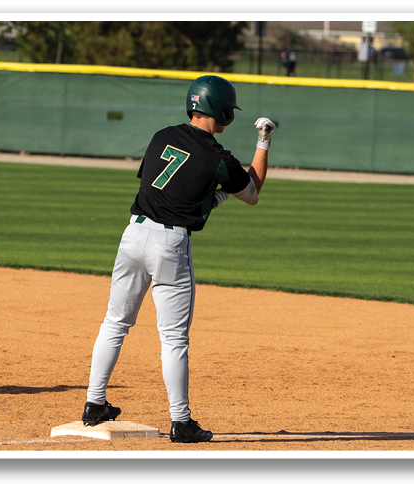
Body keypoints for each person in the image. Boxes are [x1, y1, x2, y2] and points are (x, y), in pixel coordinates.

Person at [81, 75, 276, 443]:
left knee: (115, 322)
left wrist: (209, 199)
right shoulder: (218, 156)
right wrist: (263, 142)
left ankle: (94, 403)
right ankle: (181, 421)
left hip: (133, 233)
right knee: (173, 337)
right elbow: (250, 193)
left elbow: (165, 184)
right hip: (170, 244)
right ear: (220, 110)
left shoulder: (161, 135)